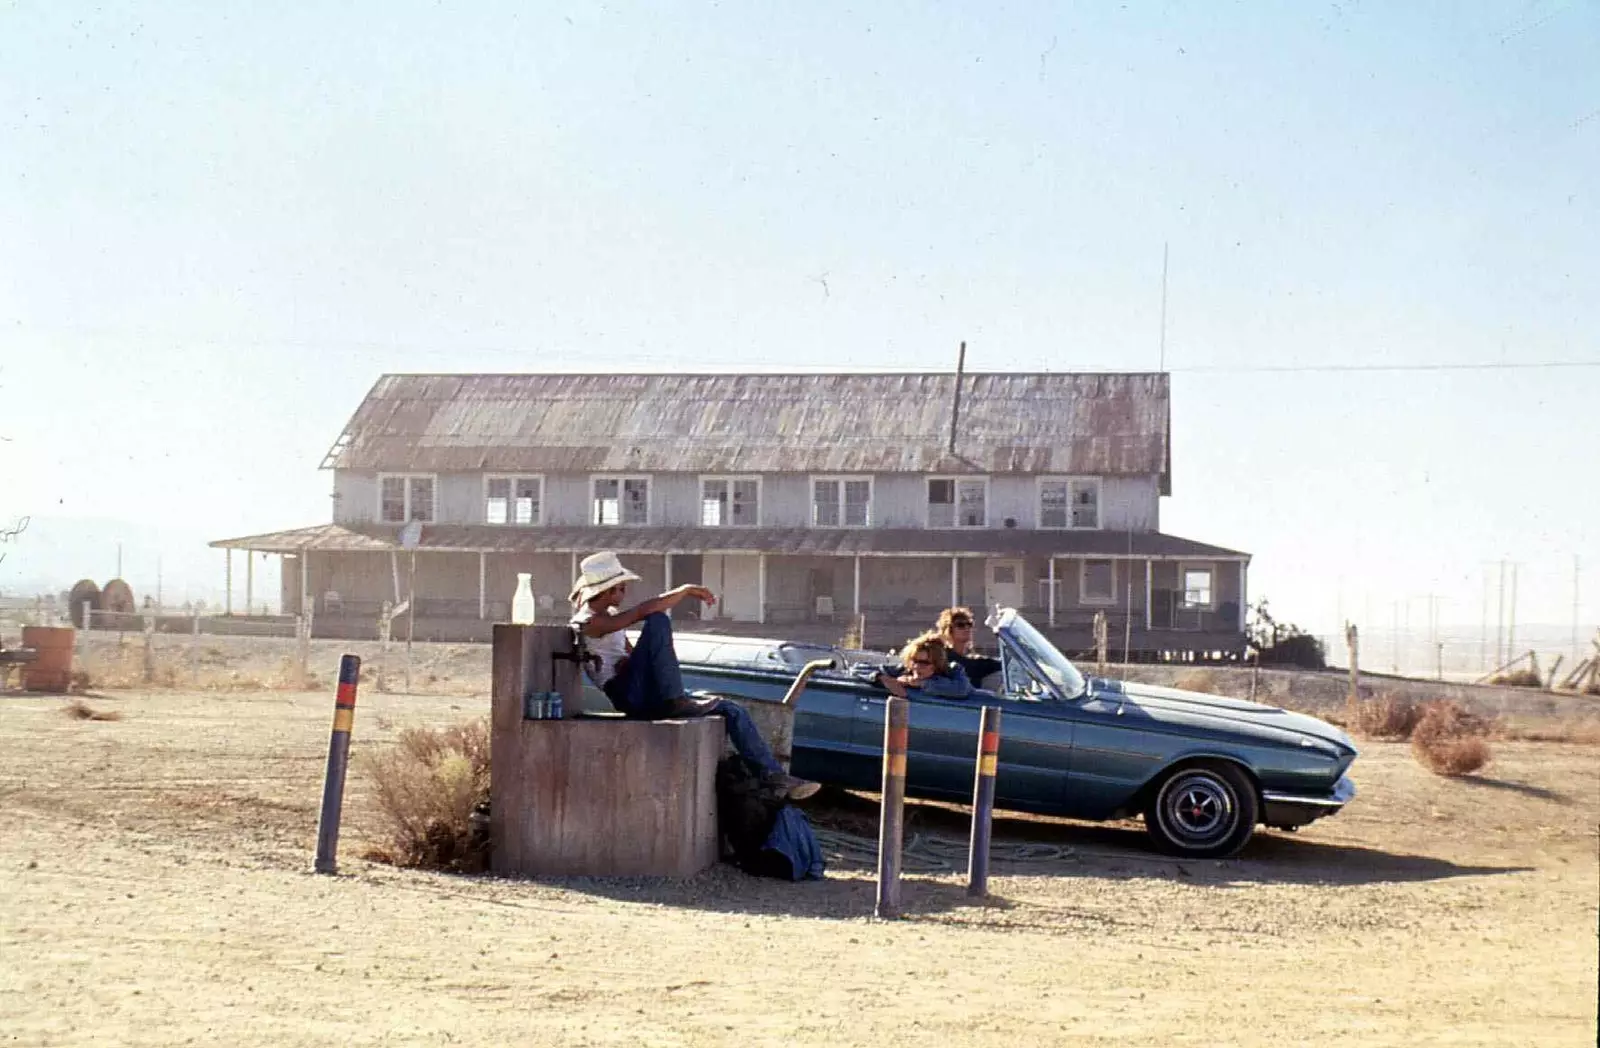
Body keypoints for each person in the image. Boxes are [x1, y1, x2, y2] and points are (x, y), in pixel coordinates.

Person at [568, 551, 819, 800]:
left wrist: (647, 668)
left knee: (732, 710)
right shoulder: (588, 623)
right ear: (610, 590)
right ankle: (676, 700)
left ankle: (772, 775)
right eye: (622, 588)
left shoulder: (608, 619)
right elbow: (642, 612)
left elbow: (638, 656)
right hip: (629, 695)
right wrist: (685, 591)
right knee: (657, 620)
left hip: (645, 690)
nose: (625, 593)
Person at [872, 632, 973, 700]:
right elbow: (859, 669)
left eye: (924, 663)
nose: (916, 667)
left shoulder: (952, 671)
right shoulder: (903, 670)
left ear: (936, 664)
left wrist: (923, 684)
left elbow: (962, 689)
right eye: (914, 661)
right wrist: (881, 678)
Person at [936, 606, 1003, 689]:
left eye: (969, 624)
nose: (967, 628)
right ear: (948, 630)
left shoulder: (974, 660)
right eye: (960, 625)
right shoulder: (943, 658)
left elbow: (1001, 664)